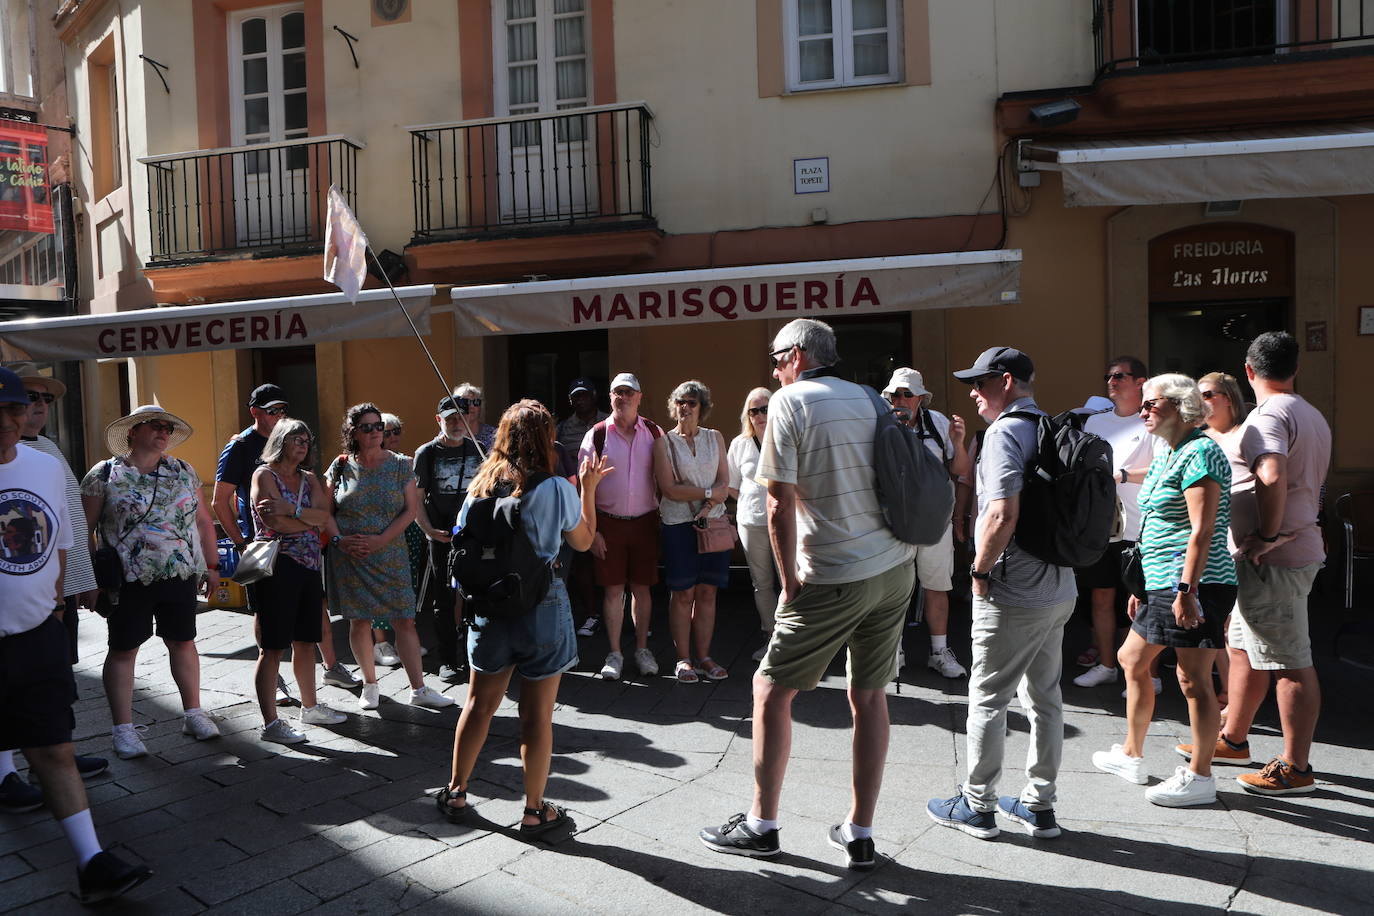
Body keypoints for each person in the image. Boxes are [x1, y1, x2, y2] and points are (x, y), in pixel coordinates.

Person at [700, 319, 915, 872]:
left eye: (775, 358)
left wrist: (791, 582)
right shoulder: (871, 397)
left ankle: (761, 825)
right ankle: (859, 834)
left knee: (770, 691)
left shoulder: (789, 402)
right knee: (869, 697)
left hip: (834, 570)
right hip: (893, 567)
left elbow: (777, 503)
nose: (771, 370)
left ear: (797, 354)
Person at [0, 367, 153, 903]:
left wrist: (58, 607)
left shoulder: (43, 467)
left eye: (15, 409)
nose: (9, 421)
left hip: (36, 636)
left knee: (55, 751)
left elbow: (59, 543)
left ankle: (92, 862)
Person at [436, 400, 611, 836]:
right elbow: (585, 541)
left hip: (490, 606)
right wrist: (588, 489)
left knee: (479, 705)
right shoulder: (555, 488)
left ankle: (456, 791)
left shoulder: (480, 485)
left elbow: (461, 542)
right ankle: (534, 810)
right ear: (545, 438)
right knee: (537, 716)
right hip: (541, 604)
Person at [927, 346, 1077, 842]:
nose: (972, 392)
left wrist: (978, 569)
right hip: (1059, 586)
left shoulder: (1004, 433)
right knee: (1046, 699)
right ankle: (1039, 805)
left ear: (1006, 382)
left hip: (1014, 590)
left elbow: (1000, 514)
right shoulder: (1052, 426)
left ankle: (979, 805)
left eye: (980, 382)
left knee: (988, 696)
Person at [1178, 331, 1331, 796]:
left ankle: (1295, 767)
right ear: (1295, 368)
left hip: (1275, 560)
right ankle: (1233, 738)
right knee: (1244, 648)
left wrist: (1266, 534)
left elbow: (1271, 474)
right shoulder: (1308, 411)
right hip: (1276, 557)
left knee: (1288, 660)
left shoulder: (1270, 414)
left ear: (1248, 370)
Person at [1091, 374, 1237, 806]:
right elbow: (1156, 522)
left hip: (1197, 582)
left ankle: (1201, 777)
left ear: (1180, 406)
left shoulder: (1201, 451)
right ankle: (1132, 755)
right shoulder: (1167, 452)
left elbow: (1202, 530)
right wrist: (1146, 586)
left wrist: (1186, 590)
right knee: (1131, 659)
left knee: (1192, 679)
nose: (1143, 411)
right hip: (1163, 583)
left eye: (1152, 404)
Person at [81, 406, 223, 759]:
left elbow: (204, 522)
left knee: (183, 641)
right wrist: (87, 579)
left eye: (167, 427)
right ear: (132, 432)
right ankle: (123, 730)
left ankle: (193, 713)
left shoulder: (184, 470)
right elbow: (85, 529)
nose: (163, 432)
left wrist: (212, 565)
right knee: (125, 648)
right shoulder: (104, 474)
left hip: (179, 573)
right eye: (155, 426)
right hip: (128, 578)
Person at [324, 403, 455, 712]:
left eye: (378, 426)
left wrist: (382, 539)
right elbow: (325, 510)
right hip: (352, 555)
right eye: (366, 427)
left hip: (390, 553)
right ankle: (370, 685)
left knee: (404, 621)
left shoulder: (400, 465)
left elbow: (411, 509)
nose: (374, 432)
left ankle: (419, 688)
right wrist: (341, 541)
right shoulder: (340, 465)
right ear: (353, 432)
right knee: (359, 621)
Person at [247, 419, 349, 745]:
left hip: (307, 567)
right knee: (273, 647)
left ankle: (311, 706)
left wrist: (293, 509)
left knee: (306, 641)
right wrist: (306, 519)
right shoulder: (264, 475)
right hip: (277, 569)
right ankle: (271, 723)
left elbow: (324, 518)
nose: (303, 445)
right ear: (280, 441)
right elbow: (274, 523)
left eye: (306, 440)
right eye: (296, 439)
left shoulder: (308, 478)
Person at [1075, 357, 1165, 693]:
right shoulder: (1096, 424)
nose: (1112, 381)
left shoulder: (1152, 422)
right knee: (1100, 597)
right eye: (1108, 375)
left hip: (1141, 526)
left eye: (1120, 376)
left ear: (1141, 381)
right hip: (1102, 525)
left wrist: (1123, 475)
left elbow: (1163, 470)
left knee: (1140, 600)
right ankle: (1106, 665)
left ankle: (1149, 674)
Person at [882, 367, 970, 678]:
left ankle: (939, 651)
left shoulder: (939, 424)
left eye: (907, 394)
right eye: (895, 394)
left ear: (921, 398)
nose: (900, 399)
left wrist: (958, 443)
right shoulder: (881, 425)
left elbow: (961, 470)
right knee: (894, 590)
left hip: (935, 520)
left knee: (936, 587)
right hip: (894, 523)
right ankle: (895, 651)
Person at [577, 372, 664, 681]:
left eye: (629, 392)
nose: (622, 397)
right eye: (617, 392)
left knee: (643, 589)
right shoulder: (597, 435)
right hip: (608, 524)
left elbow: (665, 478)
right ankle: (614, 653)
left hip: (645, 522)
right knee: (613, 591)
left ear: (639, 397)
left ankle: (642, 649)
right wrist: (593, 530)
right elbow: (583, 488)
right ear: (610, 397)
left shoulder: (654, 432)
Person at [213, 383, 293, 706]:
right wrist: (242, 542)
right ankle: (273, 679)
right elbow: (219, 501)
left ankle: (321, 668)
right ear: (255, 412)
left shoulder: (287, 441)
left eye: (282, 409)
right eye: (272, 410)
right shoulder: (240, 447)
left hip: (293, 538)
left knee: (301, 611)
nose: (279, 415)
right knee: (264, 612)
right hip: (258, 542)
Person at [10, 363, 97, 662]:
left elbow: (69, 519)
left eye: (45, 399)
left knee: (58, 672)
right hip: (24, 590)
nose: (39, 405)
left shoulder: (48, 448)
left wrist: (84, 579)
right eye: (30, 396)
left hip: (61, 588)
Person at [653, 380, 731, 683]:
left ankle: (705, 657)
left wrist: (705, 502)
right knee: (683, 593)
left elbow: (726, 483)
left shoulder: (715, 438)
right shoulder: (663, 443)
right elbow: (670, 490)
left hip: (712, 522)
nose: (685, 407)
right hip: (678, 525)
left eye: (691, 402)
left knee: (708, 592)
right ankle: (683, 659)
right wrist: (710, 492)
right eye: (680, 402)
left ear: (702, 408)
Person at [414, 396, 488, 683]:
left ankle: (474, 656)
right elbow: (417, 498)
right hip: (442, 535)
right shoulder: (427, 454)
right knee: (443, 598)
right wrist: (429, 530)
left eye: (461, 417)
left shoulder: (479, 450)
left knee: (475, 596)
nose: (457, 423)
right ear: (438, 420)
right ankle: (446, 659)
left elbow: (485, 493)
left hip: (472, 535)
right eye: (450, 418)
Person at [1197, 370, 1250, 710]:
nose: (1199, 402)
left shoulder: (1244, 434)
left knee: (1233, 627)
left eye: (1207, 395)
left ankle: (1235, 699)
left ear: (1227, 398)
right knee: (1214, 622)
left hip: (1238, 540)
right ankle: (1228, 693)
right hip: (1207, 541)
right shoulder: (1199, 436)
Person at [727, 387, 778, 661]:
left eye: (765, 408)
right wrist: (752, 497)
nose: (760, 415)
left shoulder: (786, 438)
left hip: (784, 522)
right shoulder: (739, 444)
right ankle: (770, 636)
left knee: (791, 582)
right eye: (753, 410)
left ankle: (793, 640)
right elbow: (732, 486)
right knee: (762, 583)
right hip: (751, 522)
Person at [557, 378, 607, 635]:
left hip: (608, 500)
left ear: (595, 396)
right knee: (580, 561)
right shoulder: (562, 429)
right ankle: (591, 613)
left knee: (609, 560)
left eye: (585, 395)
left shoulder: (608, 423)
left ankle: (619, 615)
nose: (581, 400)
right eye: (576, 396)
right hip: (574, 502)